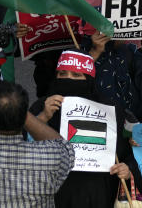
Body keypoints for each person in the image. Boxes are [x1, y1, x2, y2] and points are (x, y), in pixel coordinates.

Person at [30, 51, 136, 207]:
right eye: (62, 74)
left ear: (89, 80)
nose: (68, 79)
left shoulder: (110, 109)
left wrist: (128, 169)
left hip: (100, 193)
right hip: (54, 193)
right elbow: (20, 147)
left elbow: (132, 150)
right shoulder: (41, 106)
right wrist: (42, 118)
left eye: (76, 75)